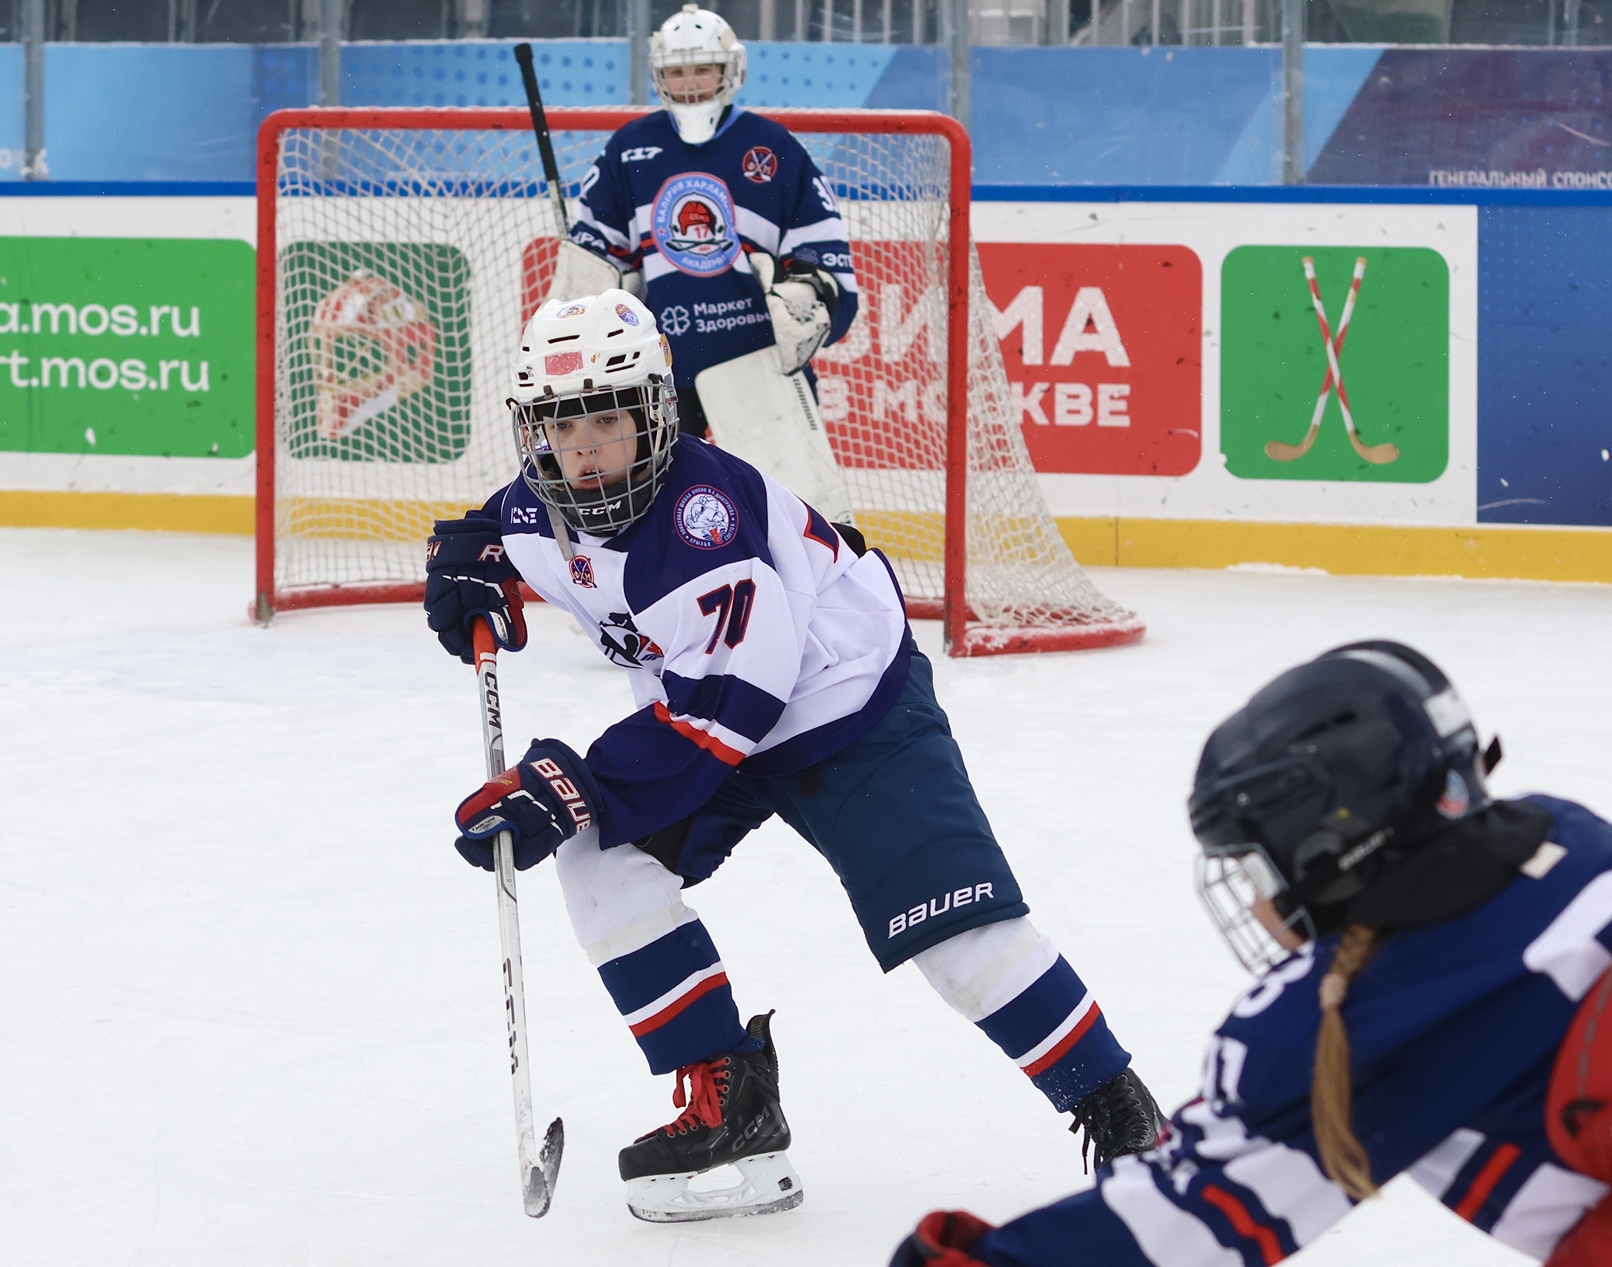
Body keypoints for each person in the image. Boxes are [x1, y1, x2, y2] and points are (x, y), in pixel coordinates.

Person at [423, 289, 1161, 1224]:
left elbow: (722, 719)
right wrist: (472, 565)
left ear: (656, 414)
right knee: (600, 858)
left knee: (959, 937)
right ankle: (728, 1096)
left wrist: (570, 785)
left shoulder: (703, 530)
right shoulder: (546, 502)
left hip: (846, 711)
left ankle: (1130, 1123)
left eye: (607, 421)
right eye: (562, 427)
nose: (584, 452)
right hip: (708, 710)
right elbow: (500, 532)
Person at [891, 640, 1612, 1267]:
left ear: (1332, 847)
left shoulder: (1353, 1015)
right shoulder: (1572, 834)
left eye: (1257, 869)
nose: (1259, 906)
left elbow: (1174, 1229)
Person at [546, 3, 855, 521]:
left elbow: (824, 254)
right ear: (659, 76)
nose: (689, 82)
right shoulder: (630, 148)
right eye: (676, 71)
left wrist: (807, 294)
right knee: (650, 517)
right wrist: (593, 286)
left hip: (756, 363)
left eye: (702, 68)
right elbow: (598, 255)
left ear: (730, 70)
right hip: (657, 369)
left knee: (788, 515)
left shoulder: (773, 146)